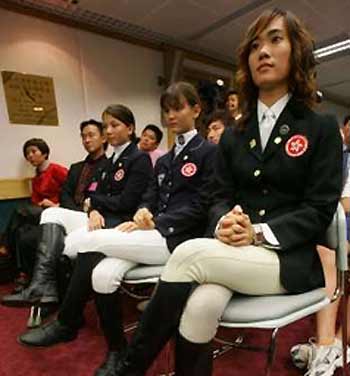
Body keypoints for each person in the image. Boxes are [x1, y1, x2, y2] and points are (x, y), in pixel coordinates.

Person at [107, 8, 343, 376]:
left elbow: (319, 209)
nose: (262, 51)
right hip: (233, 250)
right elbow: (219, 197)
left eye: (275, 39)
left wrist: (258, 232)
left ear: (296, 51)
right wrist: (222, 224)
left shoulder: (321, 127)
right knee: (200, 308)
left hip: (289, 259)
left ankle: (129, 368)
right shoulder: (234, 134)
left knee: (186, 254)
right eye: (254, 45)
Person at [18, 81, 217, 376]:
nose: (171, 115)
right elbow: (150, 194)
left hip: (178, 238)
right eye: (166, 110)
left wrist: (157, 221)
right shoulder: (165, 158)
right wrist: (143, 212)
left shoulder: (208, 152)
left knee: (86, 243)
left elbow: (204, 204)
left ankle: (56, 305)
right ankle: (116, 351)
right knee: (100, 274)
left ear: (196, 109)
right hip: (151, 232)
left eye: (178, 108)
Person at [1, 105, 153, 307]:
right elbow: (92, 195)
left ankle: (49, 293)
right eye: (106, 126)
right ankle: (42, 286)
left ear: (130, 128)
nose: (108, 131)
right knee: (51, 214)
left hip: (118, 221)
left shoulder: (138, 158)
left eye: (114, 125)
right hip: (96, 215)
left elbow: (126, 202)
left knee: (66, 243)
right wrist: (94, 210)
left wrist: (95, 205)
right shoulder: (112, 160)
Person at [8, 119, 107, 291]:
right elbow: (65, 193)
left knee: (25, 215)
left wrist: (78, 212)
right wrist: (69, 210)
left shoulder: (110, 166)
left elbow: (101, 197)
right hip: (66, 213)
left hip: (90, 217)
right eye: (83, 137)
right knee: (26, 238)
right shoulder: (76, 167)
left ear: (103, 138)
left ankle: (48, 289)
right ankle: (38, 285)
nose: (86, 140)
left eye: (91, 135)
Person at [290, 114, 350, 376]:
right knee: (327, 249)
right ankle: (327, 346)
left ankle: (338, 343)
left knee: (334, 247)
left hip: (338, 218)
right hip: (334, 222)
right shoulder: (338, 157)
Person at [0, 138, 67, 283]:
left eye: (33, 151)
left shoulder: (57, 170)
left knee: (18, 210)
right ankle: (24, 273)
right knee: (21, 231)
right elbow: (35, 202)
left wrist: (56, 204)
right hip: (41, 212)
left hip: (57, 211)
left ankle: (4, 244)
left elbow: (72, 192)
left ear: (44, 153)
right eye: (27, 154)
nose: (30, 156)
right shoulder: (36, 177)